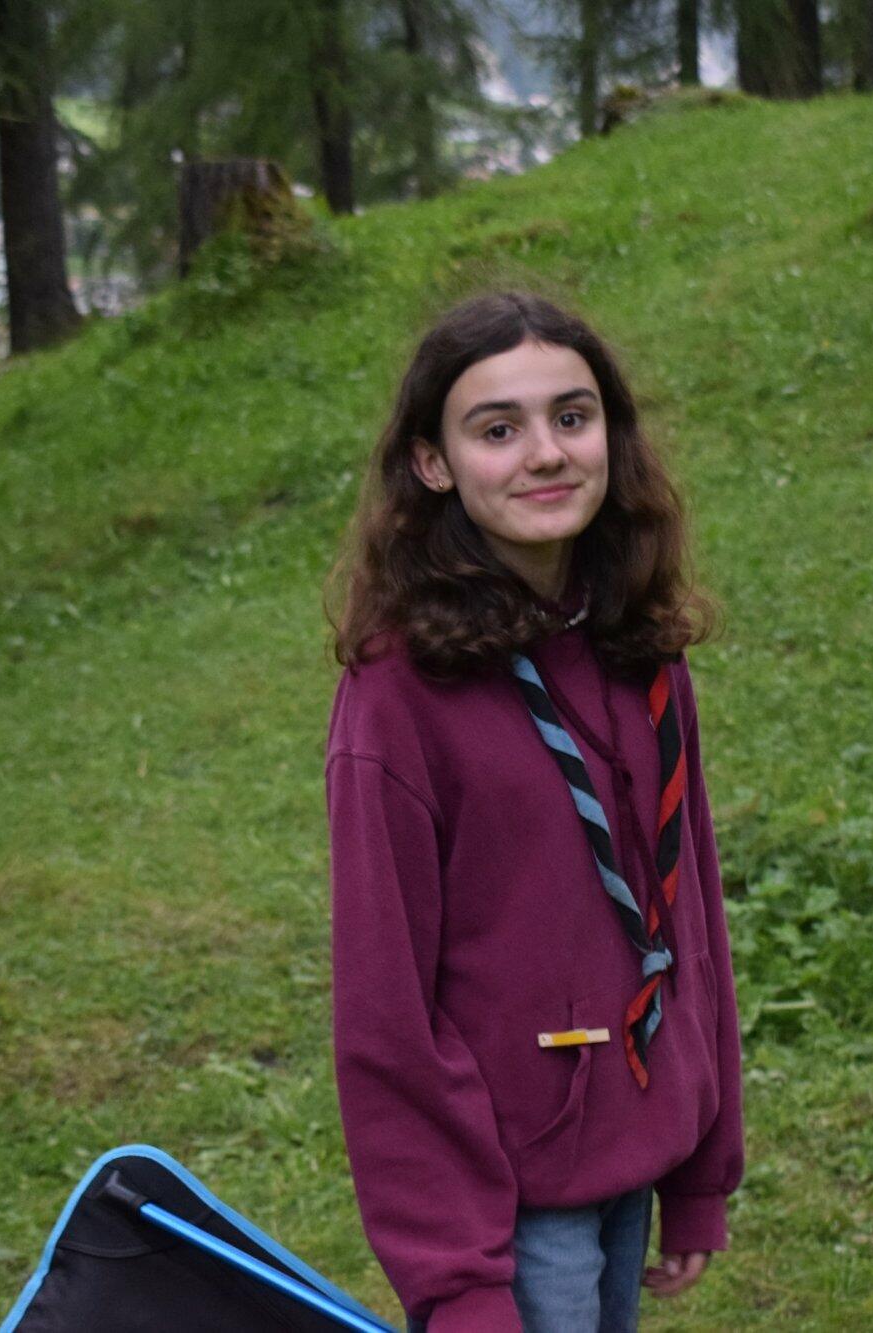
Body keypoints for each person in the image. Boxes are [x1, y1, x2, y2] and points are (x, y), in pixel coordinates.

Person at [320, 289, 745, 1332]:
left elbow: (689, 911)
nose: (546, 453)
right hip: (504, 1197)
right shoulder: (397, 695)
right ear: (433, 463)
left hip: (632, 1149)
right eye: (497, 429)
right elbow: (385, 1015)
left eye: (571, 416)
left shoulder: (640, 643)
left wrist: (701, 1166)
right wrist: (458, 1281)